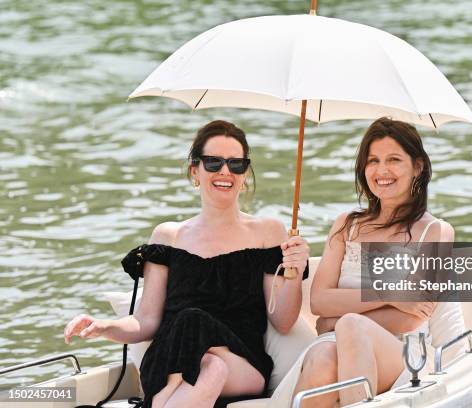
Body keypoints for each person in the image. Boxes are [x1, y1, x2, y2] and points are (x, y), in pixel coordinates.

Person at [63, 120, 310, 408]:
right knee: (211, 366)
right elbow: (146, 321)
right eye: (213, 162)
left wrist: (294, 270)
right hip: (175, 364)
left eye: (236, 164)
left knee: (193, 321)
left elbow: (283, 320)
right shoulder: (168, 236)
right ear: (195, 171)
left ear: (245, 173)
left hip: (243, 364)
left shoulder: (268, 232)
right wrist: (104, 326)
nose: (225, 172)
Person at [270, 117, 455, 407]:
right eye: (373, 161)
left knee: (352, 327)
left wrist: (339, 321)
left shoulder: (436, 231)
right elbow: (319, 301)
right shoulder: (347, 225)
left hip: (402, 353)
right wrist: (390, 295)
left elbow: (410, 317)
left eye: (394, 159)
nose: (382, 170)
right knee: (322, 360)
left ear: (417, 166)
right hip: (333, 345)